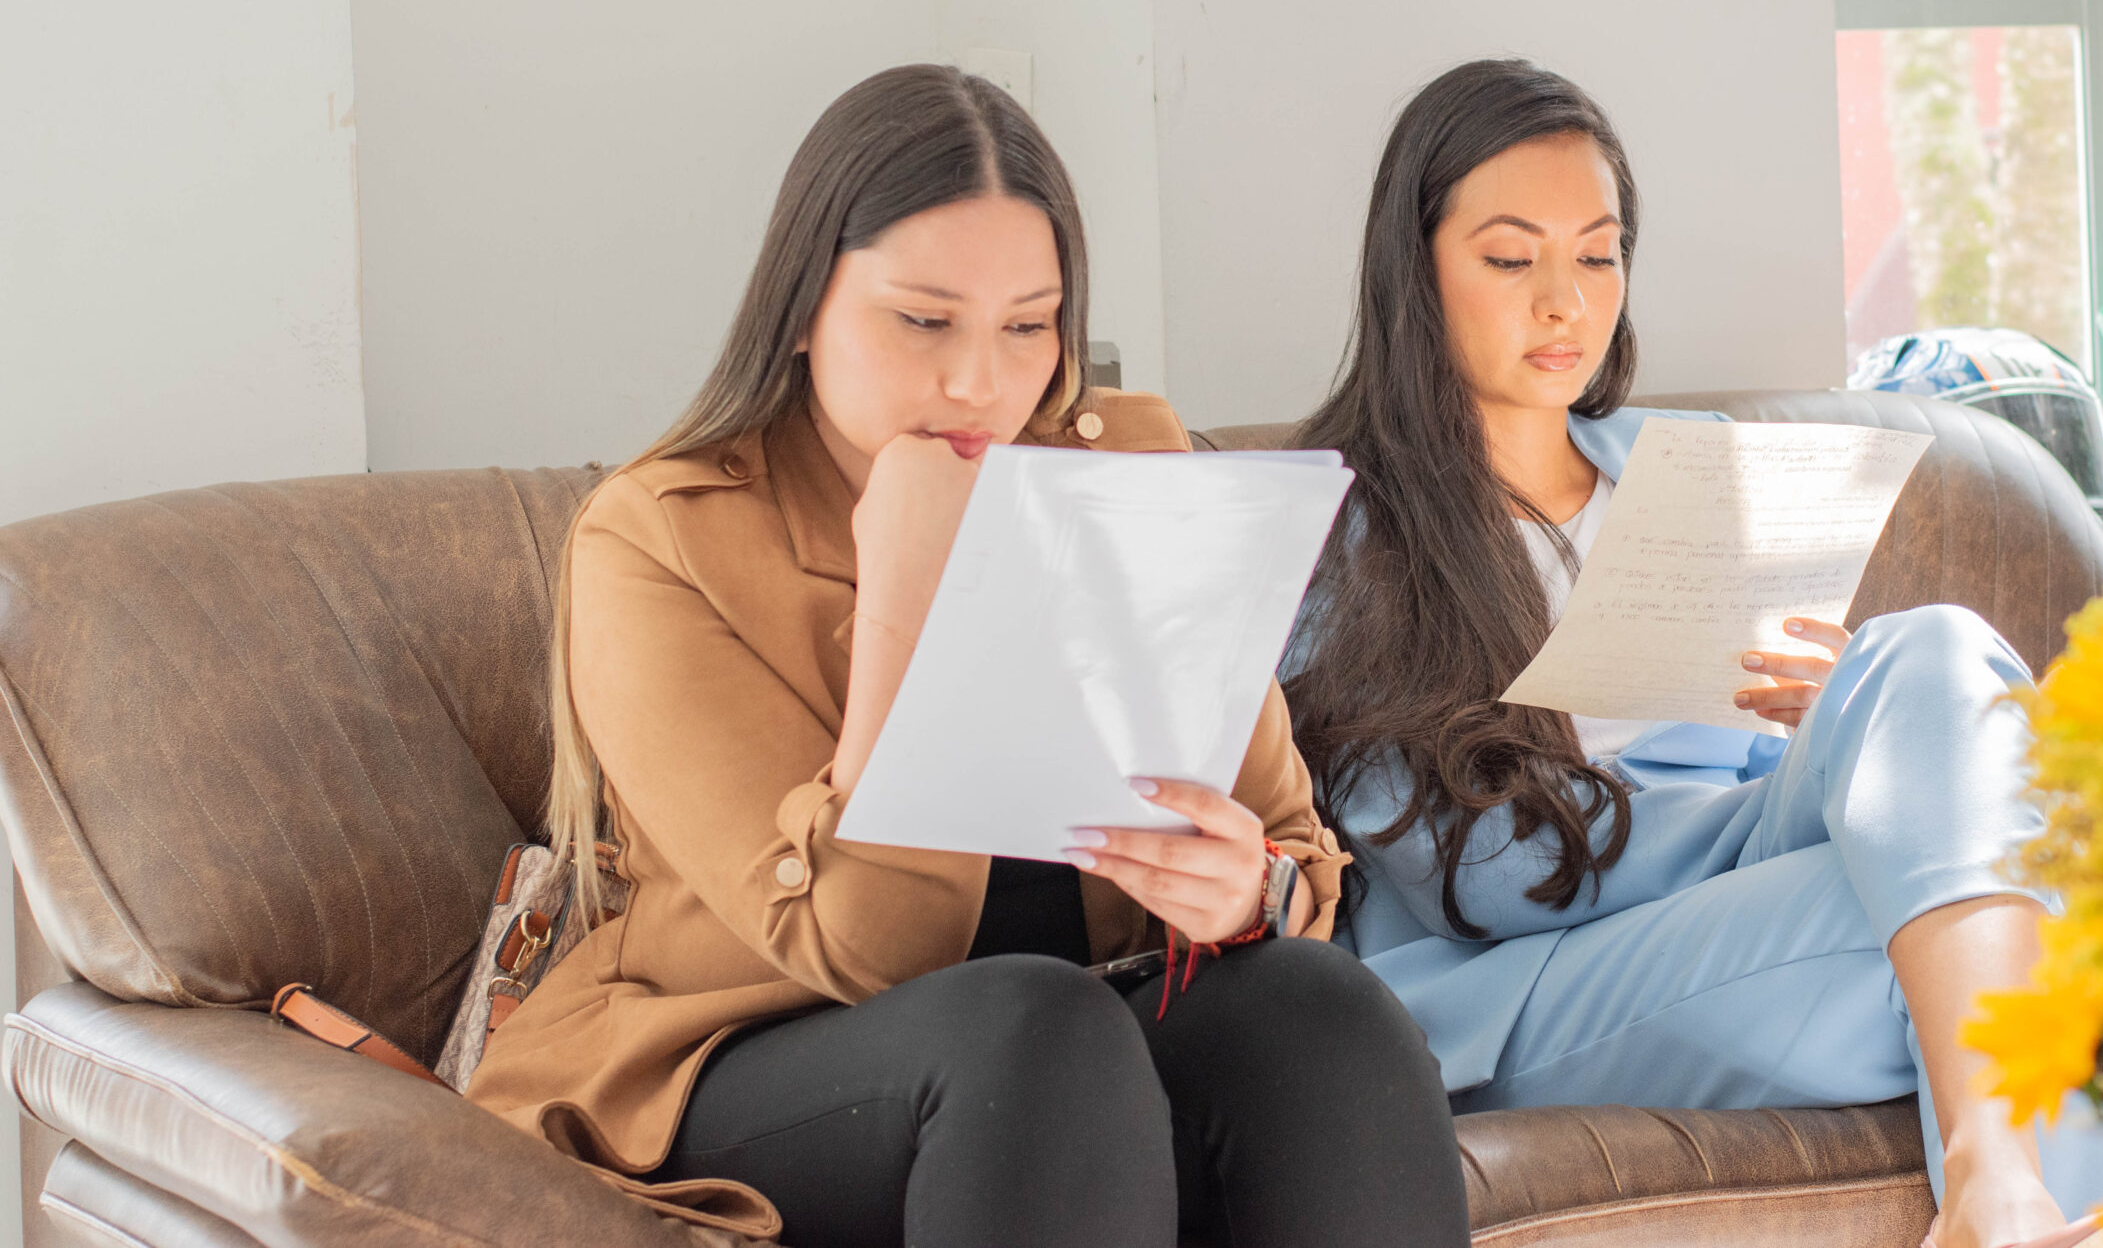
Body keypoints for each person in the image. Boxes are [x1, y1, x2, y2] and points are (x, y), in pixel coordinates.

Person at [467, 65, 1469, 1248]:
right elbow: (865, 949)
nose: (979, 383)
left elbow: (1291, 854)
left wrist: (1248, 891)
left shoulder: (1121, 473)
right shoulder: (657, 537)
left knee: (1322, 1014)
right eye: (923, 320)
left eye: (1028, 327)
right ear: (801, 308)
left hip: (1075, 1050)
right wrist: (910, 579)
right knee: (1031, 1027)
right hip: (742, 1050)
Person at [1282, 59, 2103, 1248]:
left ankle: (2000, 1188)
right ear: (1414, 269)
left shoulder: (1688, 468)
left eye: (1599, 252)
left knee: (1928, 653)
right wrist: (1840, 812)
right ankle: (2019, 1184)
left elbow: (1790, 780)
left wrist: (1845, 742)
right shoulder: (1335, 530)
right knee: (2003, 913)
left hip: (1743, 907)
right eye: (1511, 259)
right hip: (1528, 986)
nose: (1564, 301)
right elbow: (1487, 885)